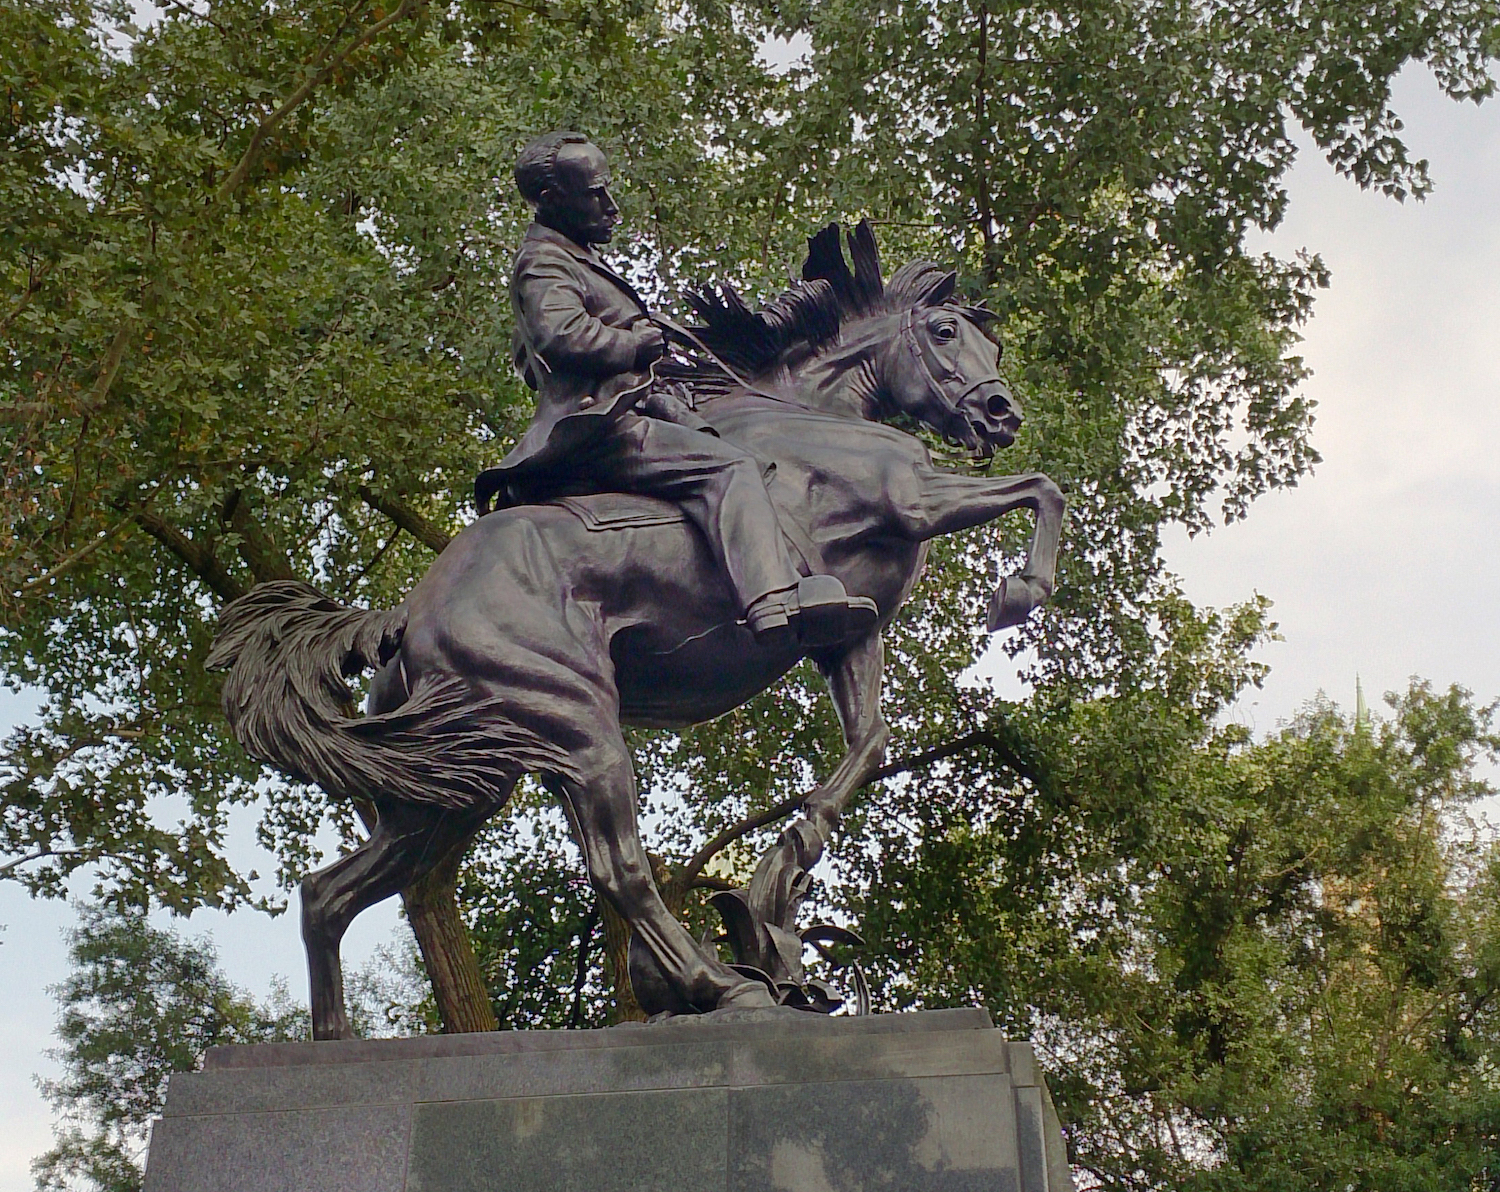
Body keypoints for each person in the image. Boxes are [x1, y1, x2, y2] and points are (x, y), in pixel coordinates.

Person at [474, 131, 876, 648]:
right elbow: (560, 336)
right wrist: (634, 344)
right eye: (595, 193)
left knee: (734, 446)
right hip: (600, 427)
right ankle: (773, 602)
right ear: (553, 200)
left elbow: (528, 354)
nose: (611, 205)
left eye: (608, 189)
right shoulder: (544, 261)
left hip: (634, 411)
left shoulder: (572, 256)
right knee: (728, 468)